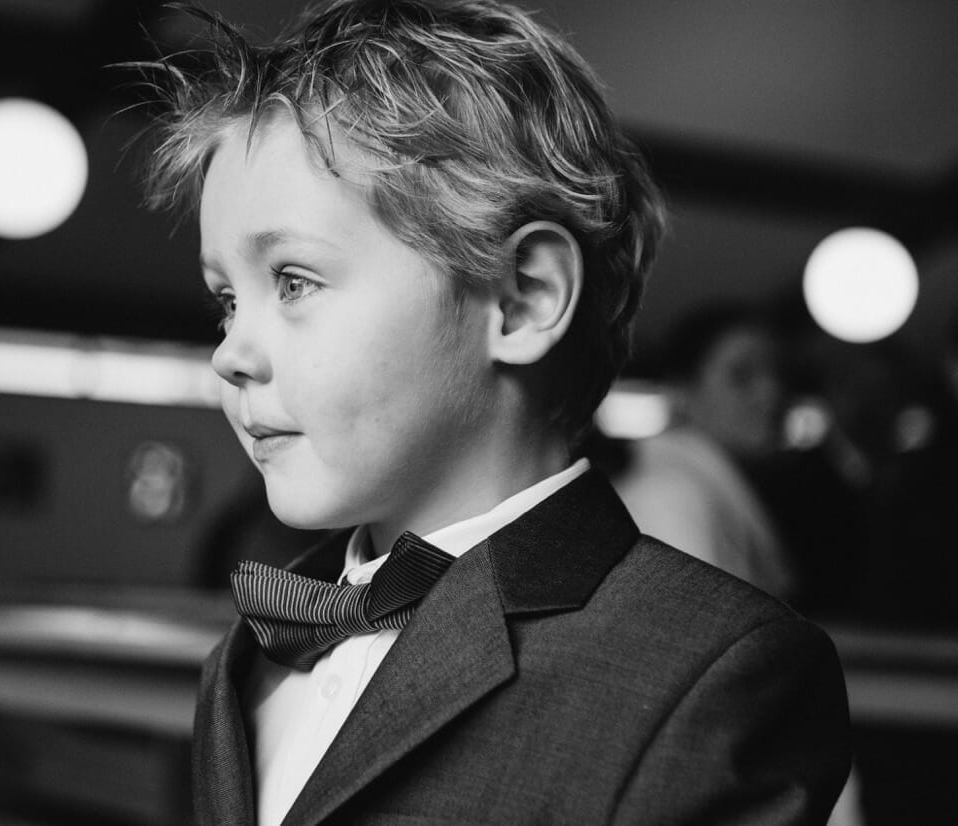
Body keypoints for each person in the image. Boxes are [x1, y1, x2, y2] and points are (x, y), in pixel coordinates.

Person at [132, 2, 851, 823]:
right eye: (226, 299)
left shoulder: (713, 674)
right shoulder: (252, 654)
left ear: (520, 300)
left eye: (293, 281)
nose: (229, 352)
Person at [614, 304, 798, 600]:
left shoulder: (695, 484)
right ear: (681, 391)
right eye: (742, 375)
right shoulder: (669, 496)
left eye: (776, 372)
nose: (771, 392)